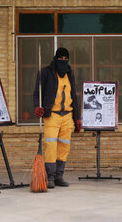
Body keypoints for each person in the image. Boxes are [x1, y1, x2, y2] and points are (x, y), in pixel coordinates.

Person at [33, 47, 81, 189]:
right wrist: (37, 107)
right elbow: (37, 92)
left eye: (66, 59)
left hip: (67, 115)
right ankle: (50, 176)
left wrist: (77, 118)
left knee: (64, 146)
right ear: (56, 58)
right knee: (51, 146)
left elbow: (74, 96)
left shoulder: (69, 73)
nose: (63, 61)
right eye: (60, 59)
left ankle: (59, 176)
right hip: (52, 115)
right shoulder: (46, 72)